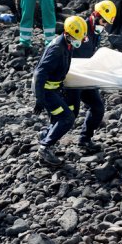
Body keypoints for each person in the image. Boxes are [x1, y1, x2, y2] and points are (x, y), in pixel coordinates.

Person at [33, 16, 88, 166]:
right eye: (79, 38)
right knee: (66, 118)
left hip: (54, 89)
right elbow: (40, 74)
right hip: (46, 91)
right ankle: (45, 148)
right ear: (68, 34)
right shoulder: (57, 49)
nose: (81, 41)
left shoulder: (67, 43)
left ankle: (45, 136)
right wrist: (40, 99)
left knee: (64, 115)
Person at [64, 1, 117, 152]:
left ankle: (84, 139)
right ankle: (46, 139)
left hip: (85, 76)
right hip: (72, 77)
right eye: (103, 22)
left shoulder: (96, 32)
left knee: (97, 107)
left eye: (107, 23)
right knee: (70, 114)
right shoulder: (80, 27)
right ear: (95, 15)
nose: (104, 26)